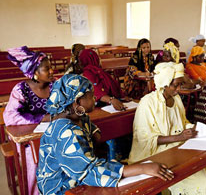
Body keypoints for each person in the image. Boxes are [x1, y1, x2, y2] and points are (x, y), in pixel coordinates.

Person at [36, 74, 173, 195]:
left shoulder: (79, 116)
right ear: (77, 102)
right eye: (90, 95)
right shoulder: (64, 131)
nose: (95, 97)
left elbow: (96, 136)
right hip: (62, 187)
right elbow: (89, 171)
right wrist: (142, 168)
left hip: (81, 176)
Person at [128, 62, 206, 194]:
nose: (179, 89)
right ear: (165, 83)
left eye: (180, 84)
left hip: (178, 143)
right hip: (157, 151)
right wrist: (179, 137)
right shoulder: (148, 102)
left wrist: (195, 129)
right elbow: (144, 139)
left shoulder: (176, 99)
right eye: (175, 85)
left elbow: (183, 122)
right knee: (203, 180)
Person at [4, 46, 55, 195]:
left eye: (51, 67)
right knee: (34, 161)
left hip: (51, 133)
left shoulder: (55, 85)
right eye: (47, 69)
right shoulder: (21, 90)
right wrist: (41, 118)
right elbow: (10, 116)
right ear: (35, 73)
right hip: (28, 139)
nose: (51, 71)